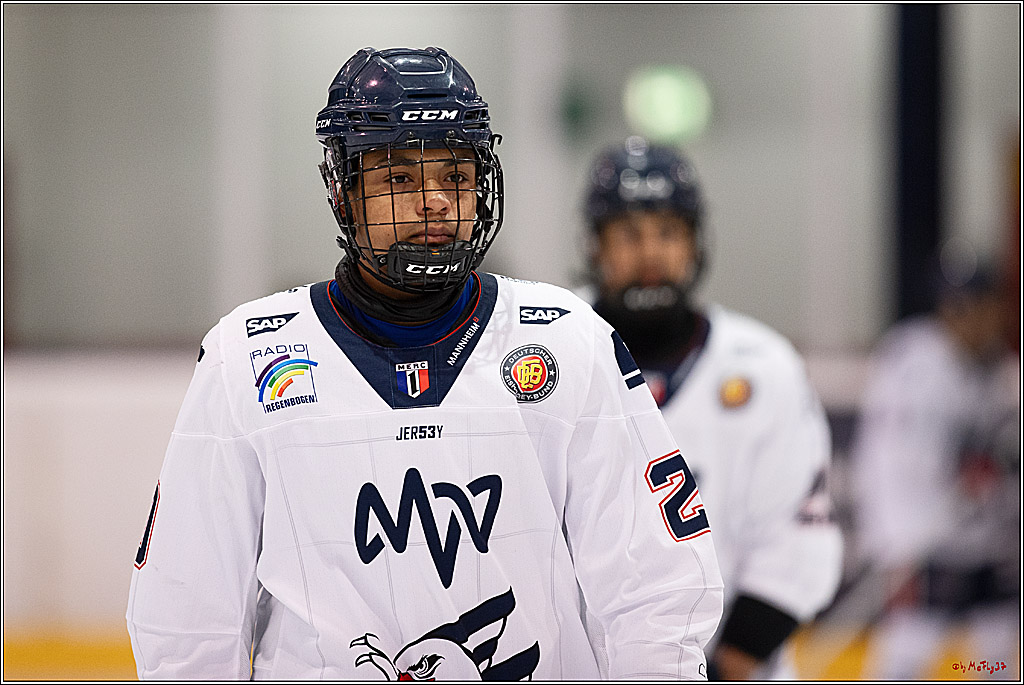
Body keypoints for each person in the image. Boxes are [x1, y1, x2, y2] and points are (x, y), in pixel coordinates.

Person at [125, 47, 723, 680]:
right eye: (399, 179)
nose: (434, 202)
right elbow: (187, 612)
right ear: (342, 190)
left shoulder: (569, 342)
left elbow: (653, 587)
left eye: (455, 176)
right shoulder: (247, 358)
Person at [579, 137, 843, 679]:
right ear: (595, 246)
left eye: (668, 232)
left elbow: (797, 540)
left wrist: (731, 664)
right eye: (629, 233)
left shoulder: (763, 369)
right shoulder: (548, 359)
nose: (651, 252)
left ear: (697, 244)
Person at [849, 242, 1020, 679]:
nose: (968, 316)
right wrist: (894, 546)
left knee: (996, 660)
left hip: (989, 546)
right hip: (927, 546)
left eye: (979, 303)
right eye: (958, 304)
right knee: (905, 659)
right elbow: (883, 464)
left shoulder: (1004, 372)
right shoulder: (913, 365)